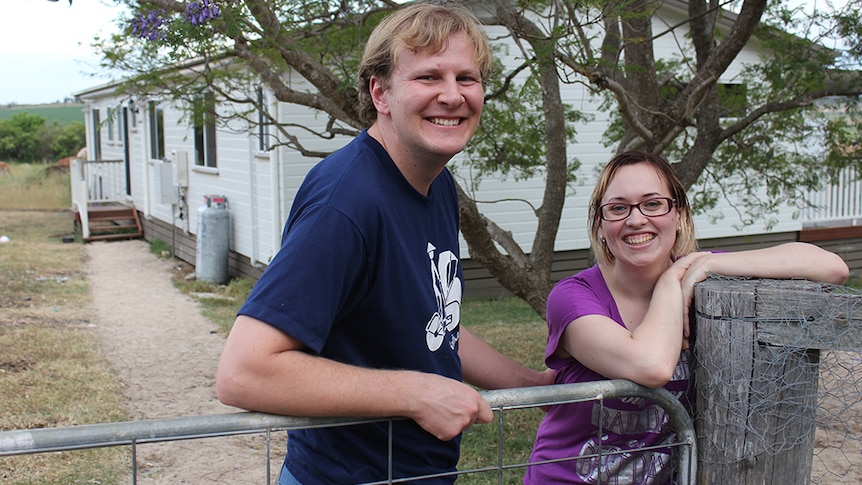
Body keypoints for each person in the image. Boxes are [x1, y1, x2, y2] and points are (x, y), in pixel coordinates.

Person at [215, 4, 554, 484]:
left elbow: (432, 323)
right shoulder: (347, 204)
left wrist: (532, 386)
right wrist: (416, 393)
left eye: (467, 78)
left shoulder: (435, 185)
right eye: (429, 77)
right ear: (381, 92)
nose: (453, 96)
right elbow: (244, 372)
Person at [523, 151, 849, 485]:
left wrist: (708, 263)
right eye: (619, 208)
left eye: (653, 204)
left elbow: (832, 267)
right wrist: (669, 282)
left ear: (678, 215)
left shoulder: (696, 276)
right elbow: (651, 366)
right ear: (601, 226)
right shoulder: (573, 297)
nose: (636, 220)